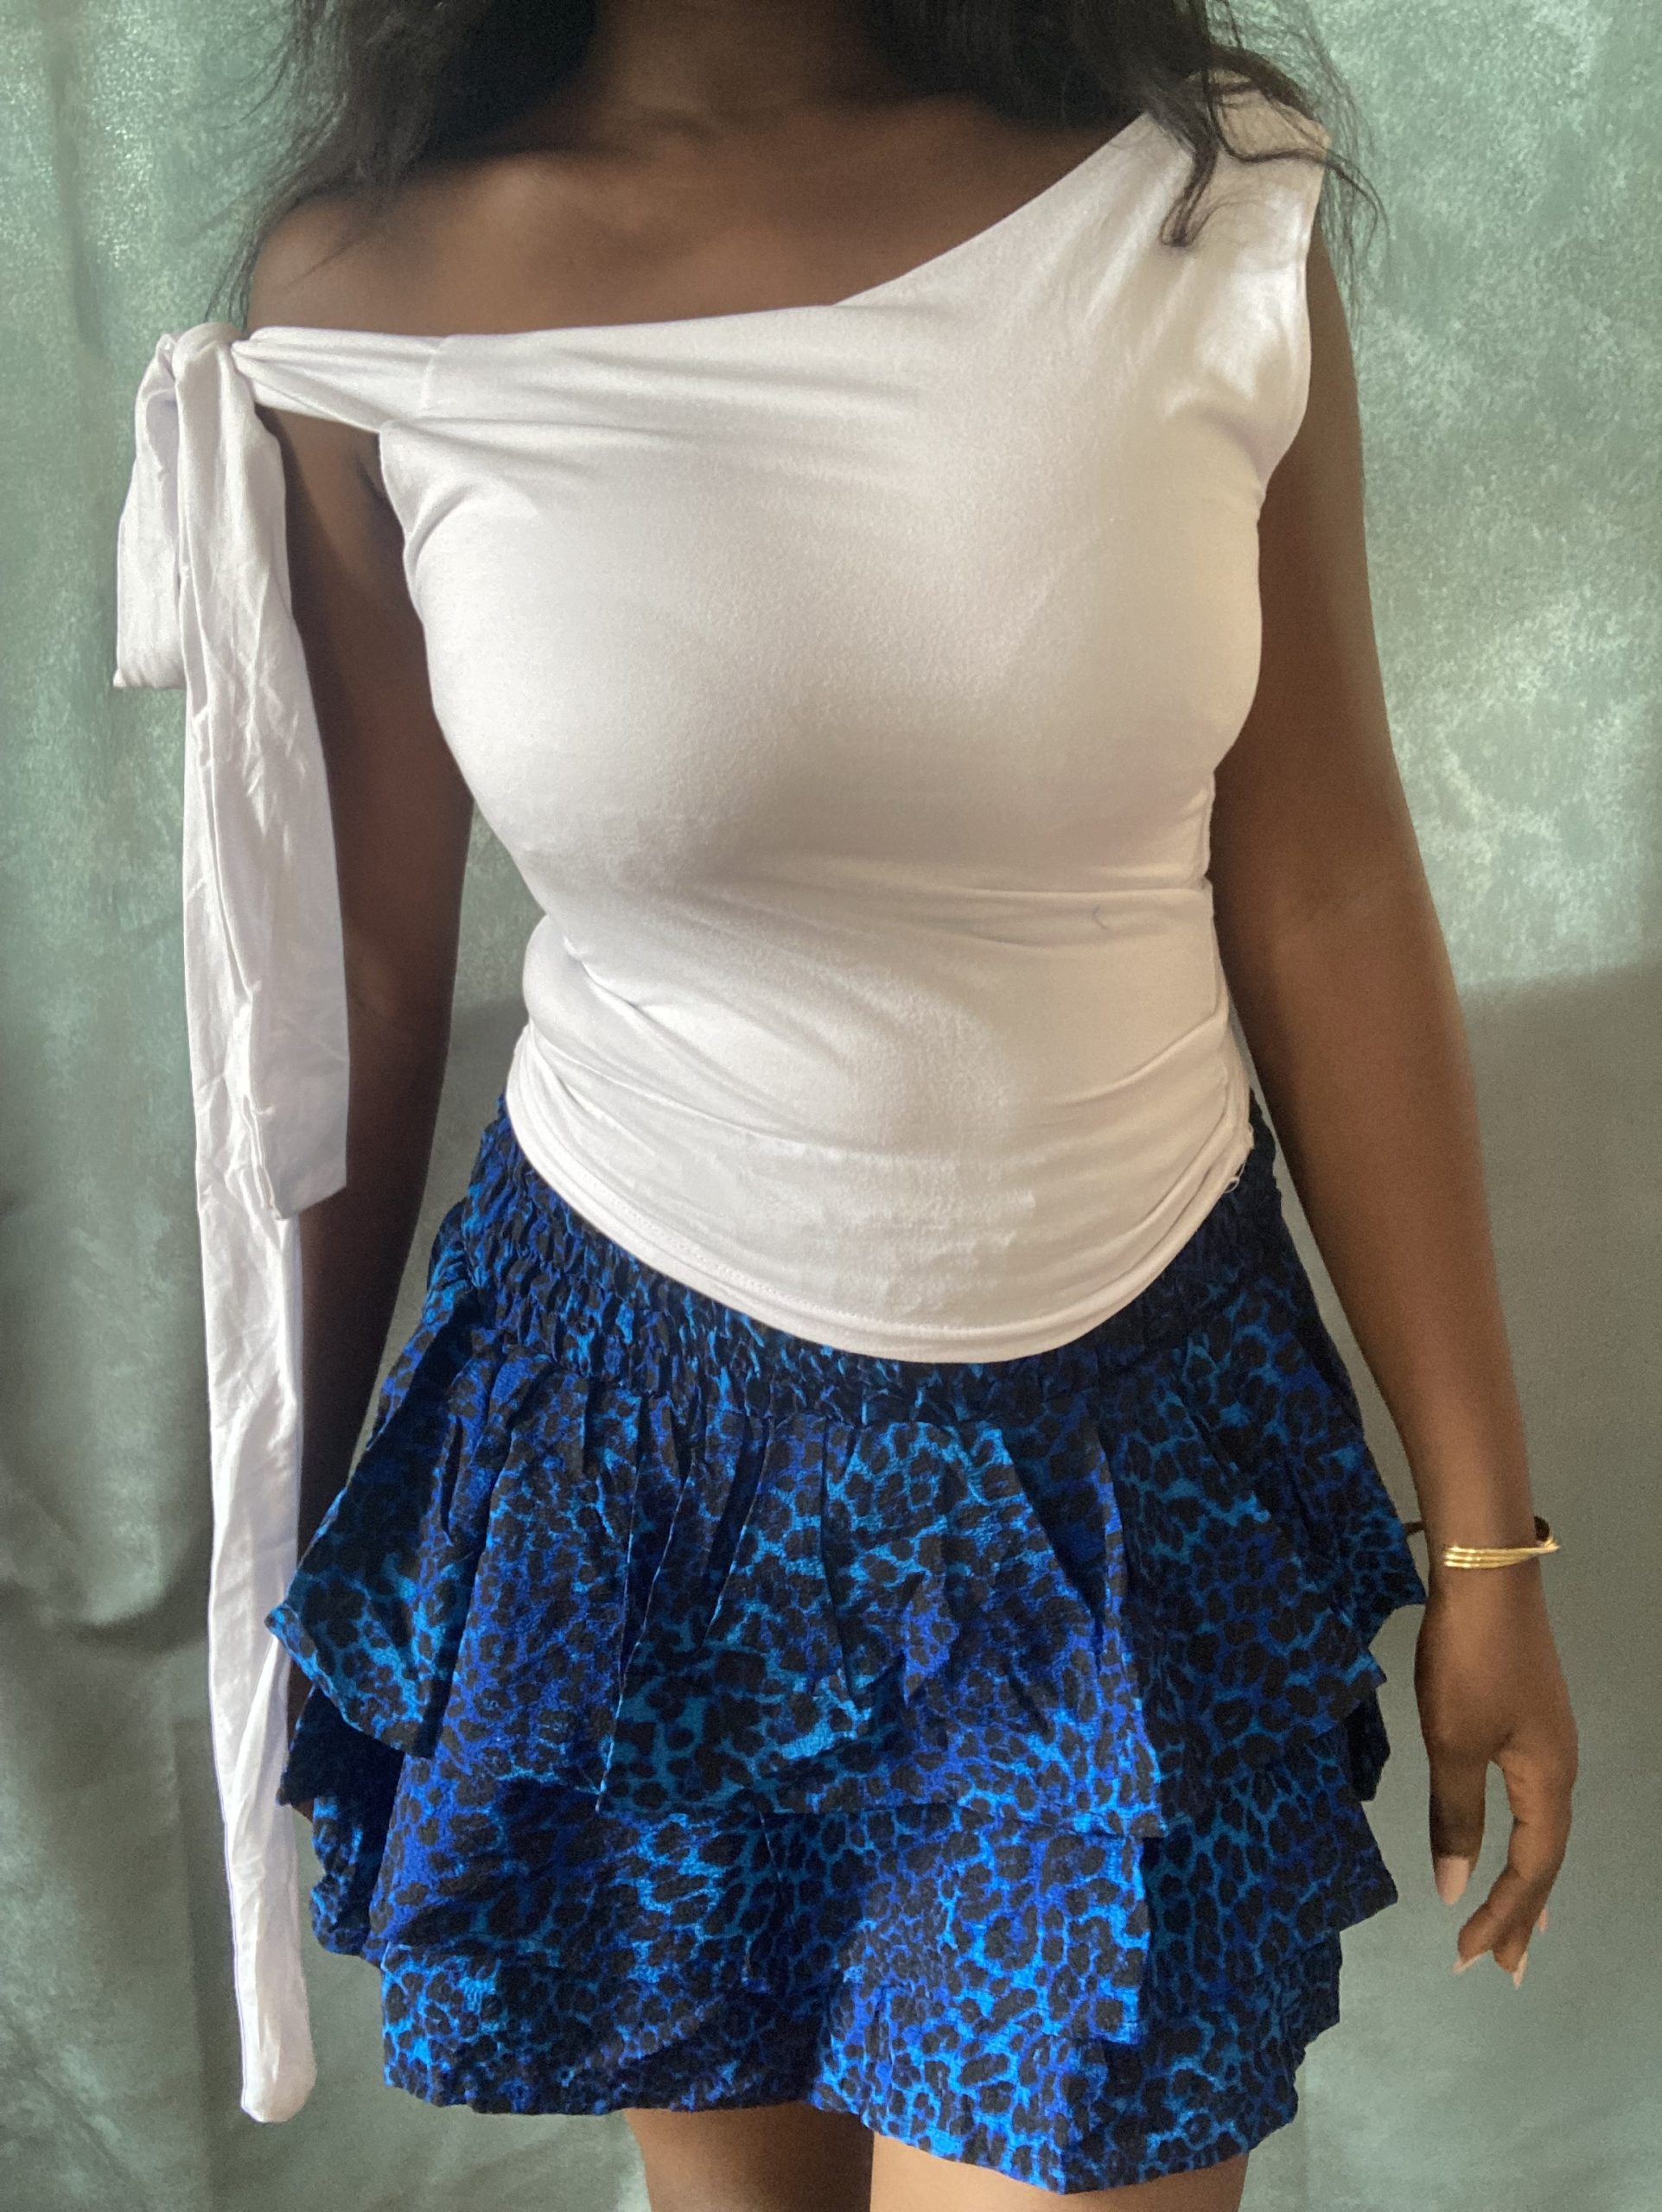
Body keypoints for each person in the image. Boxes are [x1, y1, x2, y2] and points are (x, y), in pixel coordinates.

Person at [111, 2, 1578, 2206]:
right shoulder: (366, 294)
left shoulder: (1196, 193)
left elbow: (1324, 876)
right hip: (633, 1466)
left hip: (1115, 1462)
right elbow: (364, 981)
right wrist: (306, 1563)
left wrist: (1482, 1534)